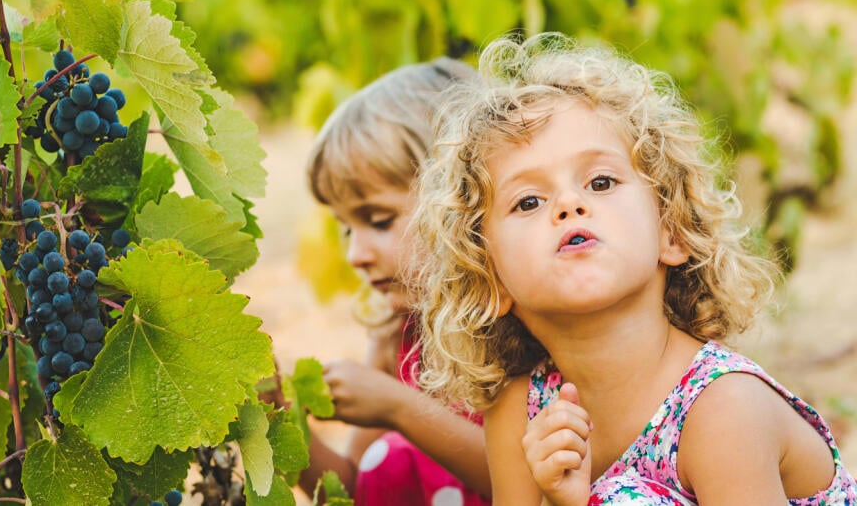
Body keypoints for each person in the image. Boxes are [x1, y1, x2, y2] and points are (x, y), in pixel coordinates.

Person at [411, 32, 857, 504]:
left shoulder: (724, 410)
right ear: (490, 277)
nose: (568, 204)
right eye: (528, 201)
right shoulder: (521, 413)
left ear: (671, 231)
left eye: (600, 181)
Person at [295, 56, 491, 505]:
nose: (354, 255)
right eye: (346, 228)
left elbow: (524, 483)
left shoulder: (516, 333)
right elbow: (358, 494)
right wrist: (282, 419)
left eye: (378, 220)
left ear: (464, 199)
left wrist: (401, 408)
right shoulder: (397, 345)